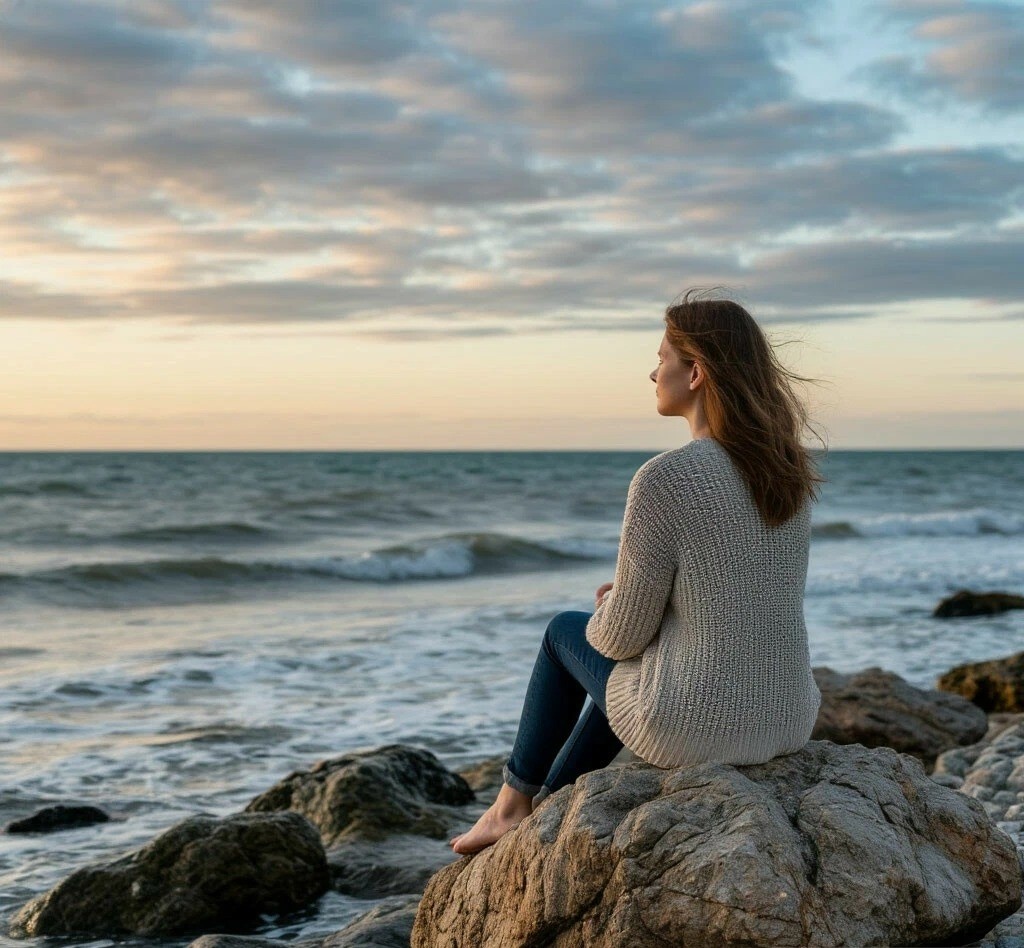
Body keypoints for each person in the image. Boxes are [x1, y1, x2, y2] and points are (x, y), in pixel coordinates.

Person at [449, 288, 827, 856]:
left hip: (696, 728)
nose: (653, 373)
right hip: (788, 716)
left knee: (564, 632)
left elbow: (619, 639)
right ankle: (546, 804)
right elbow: (741, 594)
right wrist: (648, 601)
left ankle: (510, 806)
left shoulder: (666, 478)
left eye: (662, 359)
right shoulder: (787, 475)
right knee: (637, 675)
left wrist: (614, 605)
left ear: (695, 372)